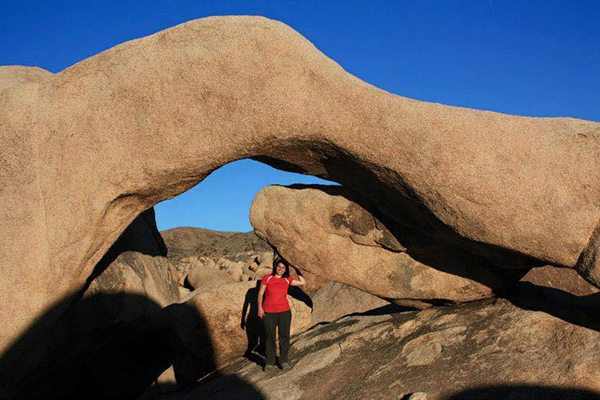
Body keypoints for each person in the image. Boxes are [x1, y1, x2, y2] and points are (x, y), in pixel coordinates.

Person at [257, 255, 305, 372]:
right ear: (276, 267)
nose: (280, 269)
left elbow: (302, 282)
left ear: (285, 270)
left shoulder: (287, 280)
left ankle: (283, 361)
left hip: (284, 312)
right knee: (269, 337)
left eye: (283, 268)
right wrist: (259, 307)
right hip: (269, 312)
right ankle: (269, 362)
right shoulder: (267, 278)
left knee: (284, 336)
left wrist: (297, 269)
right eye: (279, 267)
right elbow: (260, 294)